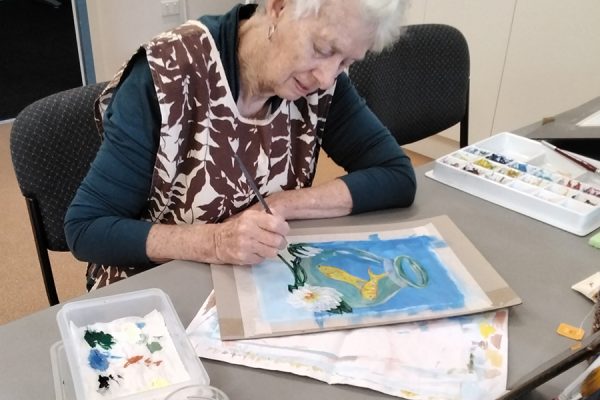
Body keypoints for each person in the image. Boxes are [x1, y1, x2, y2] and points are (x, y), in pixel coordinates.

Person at [64, 0, 417, 290]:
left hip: (254, 279)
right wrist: (215, 241)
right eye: (322, 49)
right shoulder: (166, 74)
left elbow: (396, 175)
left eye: (346, 62)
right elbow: (86, 228)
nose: (327, 77)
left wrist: (280, 205)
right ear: (279, 7)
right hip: (157, 286)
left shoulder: (323, 82)